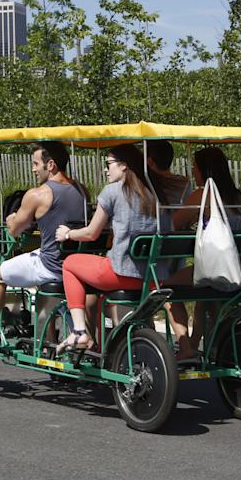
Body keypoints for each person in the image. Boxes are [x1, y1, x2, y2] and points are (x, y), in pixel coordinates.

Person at [54, 143, 174, 353]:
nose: (106, 169)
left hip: (121, 273)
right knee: (99, 295)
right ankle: (105, 345)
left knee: (71, 264)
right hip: (154, 276)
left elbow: (91, 233)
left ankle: (80, 331)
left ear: (124, 165)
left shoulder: (113, 192)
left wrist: (68, 234)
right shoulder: (158, 194)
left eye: (108, 163)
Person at [0, 141, 87, 351]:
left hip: (51, 265)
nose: (33, 169)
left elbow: (14, 231)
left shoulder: (38, 194)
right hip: (75, 263)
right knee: (40, 273)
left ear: (50, 165)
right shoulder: (82, 190)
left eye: (35, 163)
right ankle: (49, 340)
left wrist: (11, 219)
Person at [165, 146, 241, 361]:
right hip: (240, 268)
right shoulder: (236, 195)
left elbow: (173, 224)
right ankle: (195, 342)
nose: (193, 171)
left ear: (204, 170)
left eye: (194, 166)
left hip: (216, 269)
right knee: (204, 297)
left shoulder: (203, 194)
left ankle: (185, 347)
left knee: (163, 286)